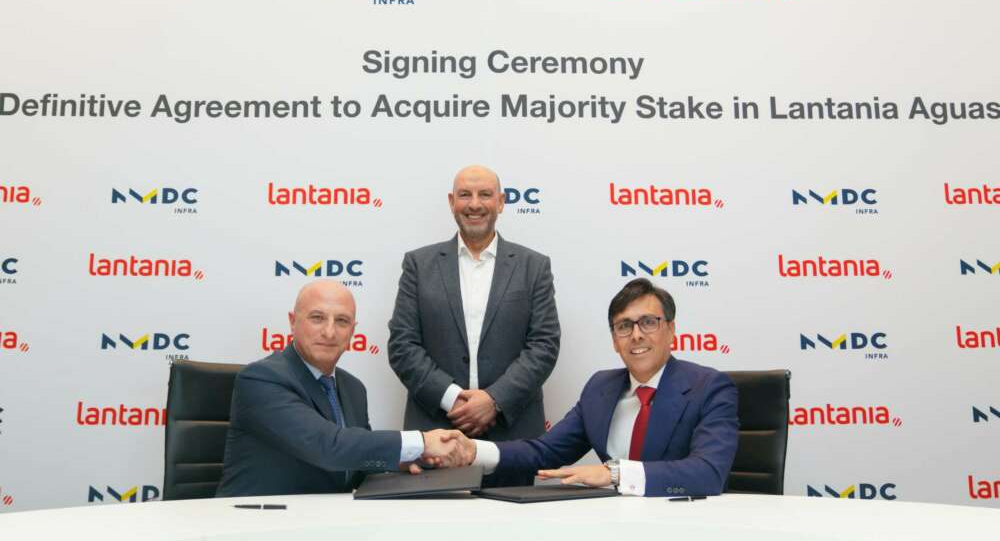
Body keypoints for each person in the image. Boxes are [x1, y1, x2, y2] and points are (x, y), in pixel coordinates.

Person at [461, 278, 738, 496]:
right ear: (615, 341)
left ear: (671, 330)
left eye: (648, 322)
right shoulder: (600, 388)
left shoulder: (709, 387)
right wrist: (472, 450)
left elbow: (709, 473)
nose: (637, 335)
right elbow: (543, 452)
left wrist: (614, 473)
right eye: (624, 326)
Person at [387, 164, 561, 486]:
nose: (475, 204)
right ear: (452, 202)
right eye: (465, 195)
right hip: (435, 435)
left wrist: (494, 400)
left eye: (485, 194)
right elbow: (402, 345)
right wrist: (453, 399)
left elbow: (544, 345)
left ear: (501, 202)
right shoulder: (418, 265)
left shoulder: (534, 266)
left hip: (513, 437)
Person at [216, 281, 469, 497]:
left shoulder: (353, 388)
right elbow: (327, 446)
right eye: (317, 318)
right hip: (255, 521)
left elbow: (354, 463)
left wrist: (401, 461)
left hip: (326, 520)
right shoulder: (261, 379)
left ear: (352, 332)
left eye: (342, 321)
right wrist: (421, 442)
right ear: (293, 322)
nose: (329, 332)